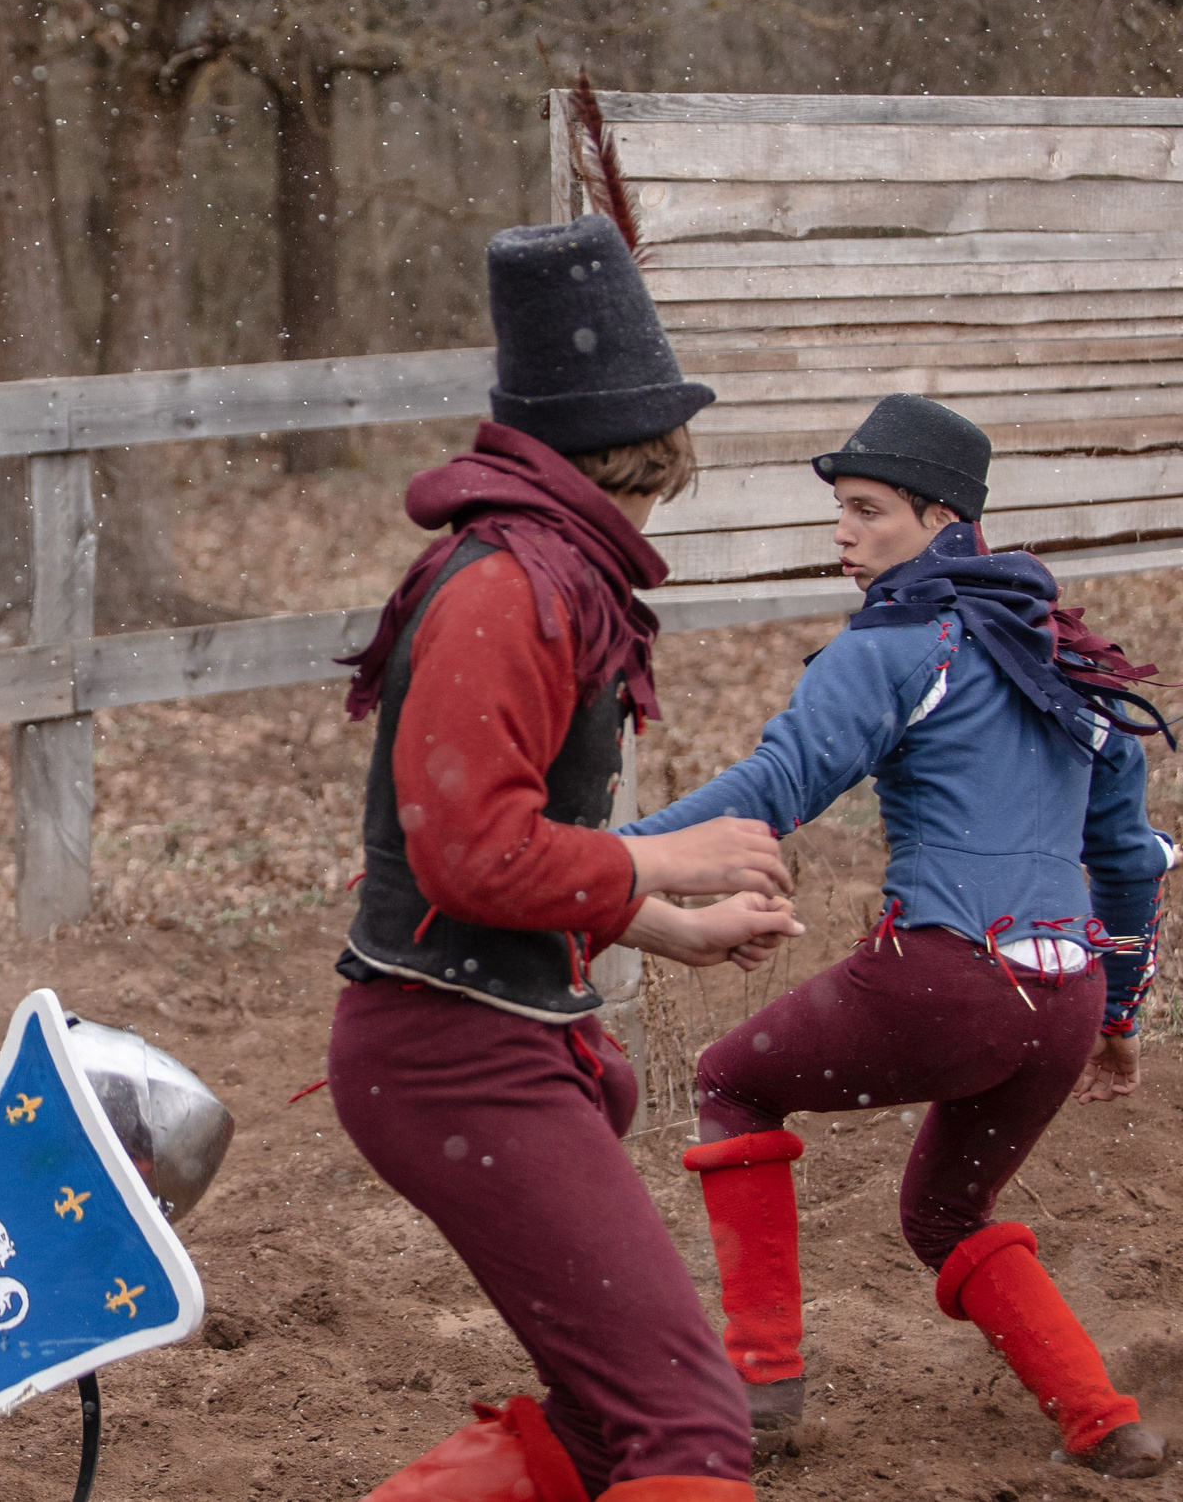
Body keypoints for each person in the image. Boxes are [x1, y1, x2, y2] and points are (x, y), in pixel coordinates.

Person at [330, 213, 806, 1502]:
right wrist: (664, 862)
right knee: (688, 1426)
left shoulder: (543, 570)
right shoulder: (505, 589)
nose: (654, 519)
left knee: (613, 1423)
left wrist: (663, 928)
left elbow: (504, 862)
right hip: (452, 1059)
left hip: (484, 1032)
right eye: (653, 486)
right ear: (622, 461)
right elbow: (469, 860)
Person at [622, 393, 1172, 1478]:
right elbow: (1128, 860)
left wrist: (599, 852)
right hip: (1057, 1005)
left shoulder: (894, 649)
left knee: (731, 1079)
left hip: (947, 976)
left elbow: (775, 788)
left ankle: (763, 1379)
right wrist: (1115, 1014)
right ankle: (1105, 1421)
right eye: (838, 509)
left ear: (939, 519)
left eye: (866, 510)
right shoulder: (1067, 661)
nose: (841, 533)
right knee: (947, 1211)